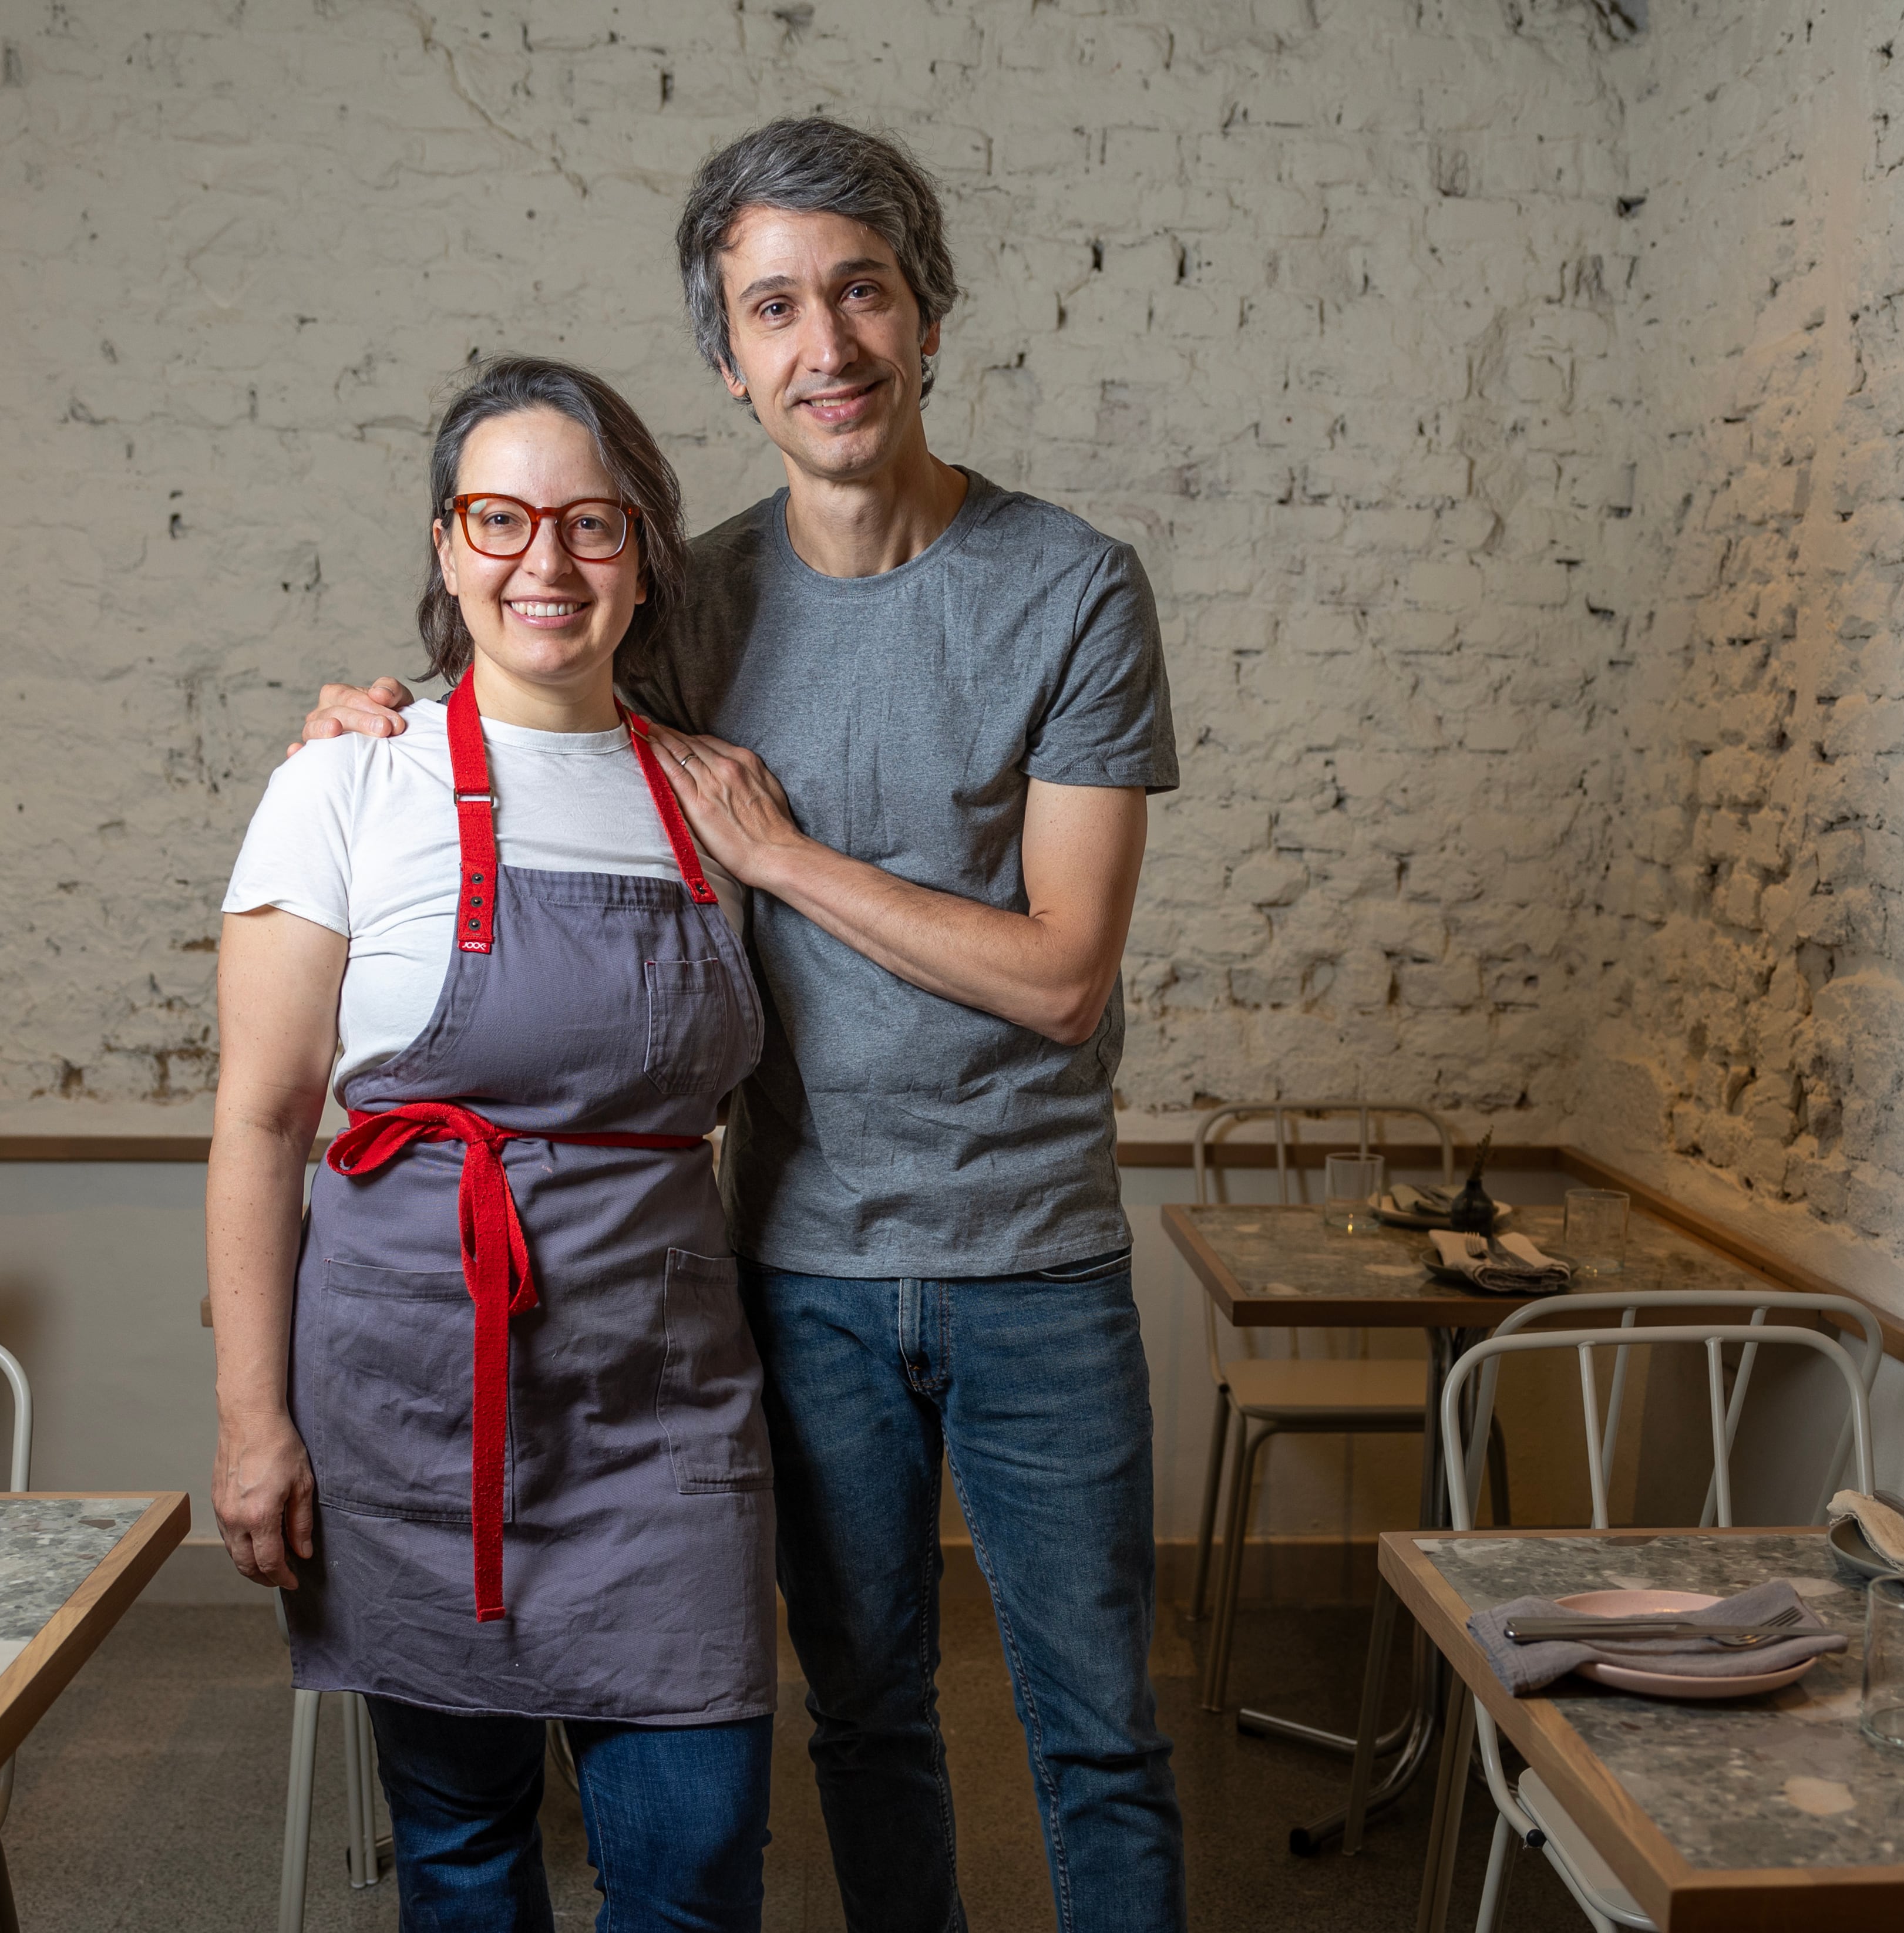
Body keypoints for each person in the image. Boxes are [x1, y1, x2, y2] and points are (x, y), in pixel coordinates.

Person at [298, 120, 1185, 1932]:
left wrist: (781, 853)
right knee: (862, 1718)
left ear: (925, 316)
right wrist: (375, 717)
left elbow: (1058, 973)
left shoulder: (1072, 587)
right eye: (773, 307)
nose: (826, 345)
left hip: (1037, 1262)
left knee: (1097, 1736)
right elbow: (527, 700)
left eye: (860, 290)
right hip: (786, 1264)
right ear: (728, 362)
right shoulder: (685, 598)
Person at [210, 356, 776, 1932]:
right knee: (462, 1853)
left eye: (590, 523)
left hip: (662, 1407)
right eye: (500, 519)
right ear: (448, 546)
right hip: (411, 1395)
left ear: (643, 552)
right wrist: (254, 1423)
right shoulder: (344, 782)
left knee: (696, 1863)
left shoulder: (715, 799)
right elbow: (260, 1122)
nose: (546, 562)